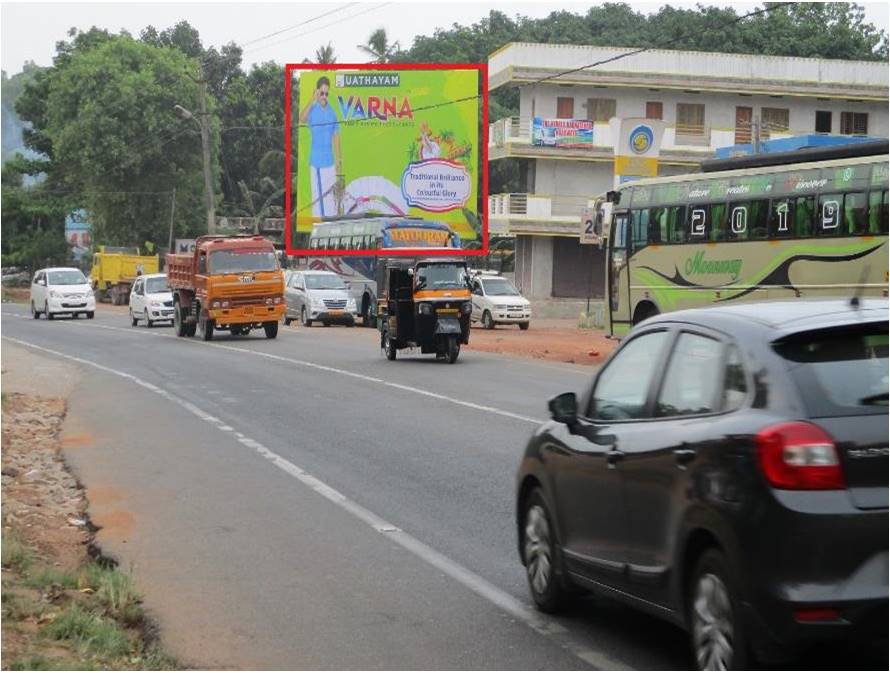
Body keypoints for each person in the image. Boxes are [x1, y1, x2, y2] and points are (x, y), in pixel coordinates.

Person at [300, 76, 343, 218]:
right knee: (318, 200)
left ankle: (329, 227)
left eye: (326, 93)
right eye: (322, 93)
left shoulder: (332, 112)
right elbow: (302, 119)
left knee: (330, 199)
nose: (324, 96)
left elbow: (336, 136)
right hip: (317, 162)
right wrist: (312, 99)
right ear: (317, 91)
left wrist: (339, 160)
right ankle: (318, 226)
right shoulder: (312, 109)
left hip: (330, 162)